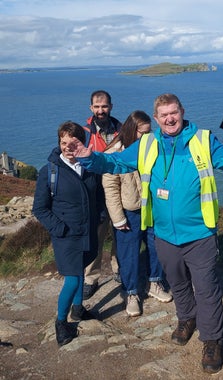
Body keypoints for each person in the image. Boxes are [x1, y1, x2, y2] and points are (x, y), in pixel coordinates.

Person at [69, 93, 223, 374]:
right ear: (156, 119)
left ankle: (212, 340)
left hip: (199, 232)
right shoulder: (146, 144)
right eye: (163, 115)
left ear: (182, 111)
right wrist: (90, 158)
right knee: (176, 283)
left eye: (173, 112)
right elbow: (115, 164)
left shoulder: (202, 139)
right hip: (163, 233)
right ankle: (187, 319)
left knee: (206, 289)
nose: (169, 118)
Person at [32, 121, 102, 347]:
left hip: (87, 231)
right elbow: (39, 208)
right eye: (64, 142)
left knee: (81, 270)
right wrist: (59, 229)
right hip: (66, 236)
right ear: (58, 143)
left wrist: (100, 217)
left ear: (82, 142)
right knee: (72, 278)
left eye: (74, 142)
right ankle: (61, 323)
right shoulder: (49, 172)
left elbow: (97, 196)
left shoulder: (89, 166)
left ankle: (78, 309)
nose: (68, 147)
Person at [102, 110, 173, 317]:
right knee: (129, 254)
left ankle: (154, 283)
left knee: (156, 247)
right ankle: (131, 293)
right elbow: (110, 188)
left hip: (151, 207)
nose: (149, 136)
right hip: (128, 211)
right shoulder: (114, 154)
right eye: (144, 132)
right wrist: (117, 218)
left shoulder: (151, 148)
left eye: (150, 131)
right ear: (133, 131)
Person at [82, 90, 122, 300]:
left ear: (111, 106)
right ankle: (91, 278)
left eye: (104, 106)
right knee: (95, 236)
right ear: (91, 108)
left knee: (120, 232)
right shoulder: (85, 132)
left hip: (118, 189)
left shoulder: (122, 129)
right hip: (95, 192)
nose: (101, 111)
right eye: (97, 107)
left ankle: (118, 269)